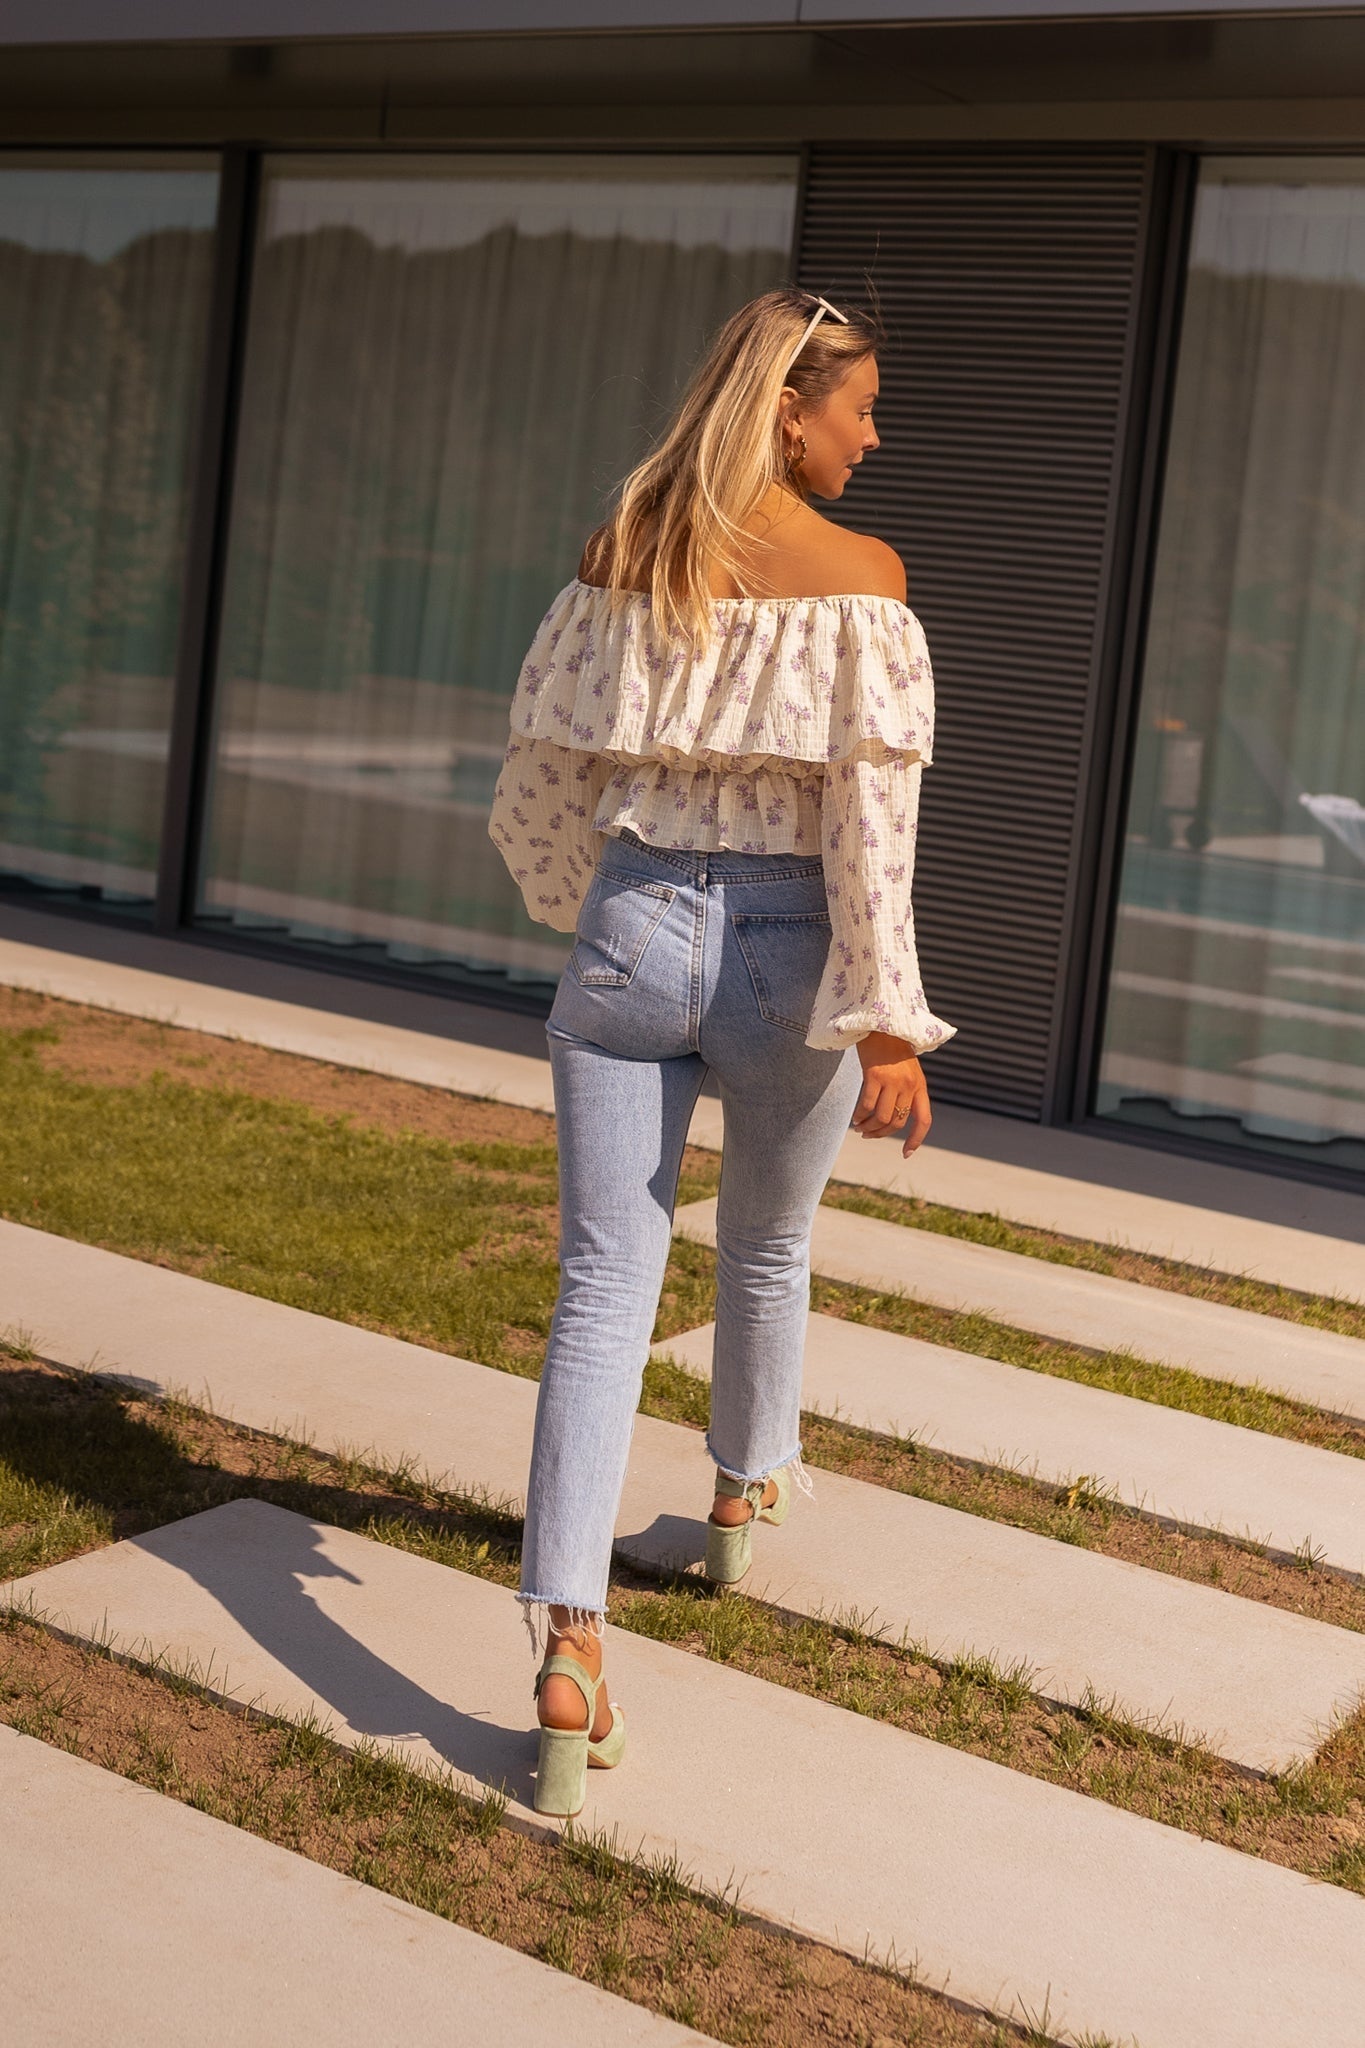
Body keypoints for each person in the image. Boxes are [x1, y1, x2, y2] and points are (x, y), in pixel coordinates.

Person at [488, 284, 957, 1818]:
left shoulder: (623, 559)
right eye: (858, 408)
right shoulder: (864, 584)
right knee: (765, 1243)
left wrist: (592, 908)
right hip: (784, 955)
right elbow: (871, 833)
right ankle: (740, 1497)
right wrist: (888, 1020)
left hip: (626, 934)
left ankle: (568, 1644)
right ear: (790, 411)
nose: (872, 436)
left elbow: (542, 781)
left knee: (601, 1287)